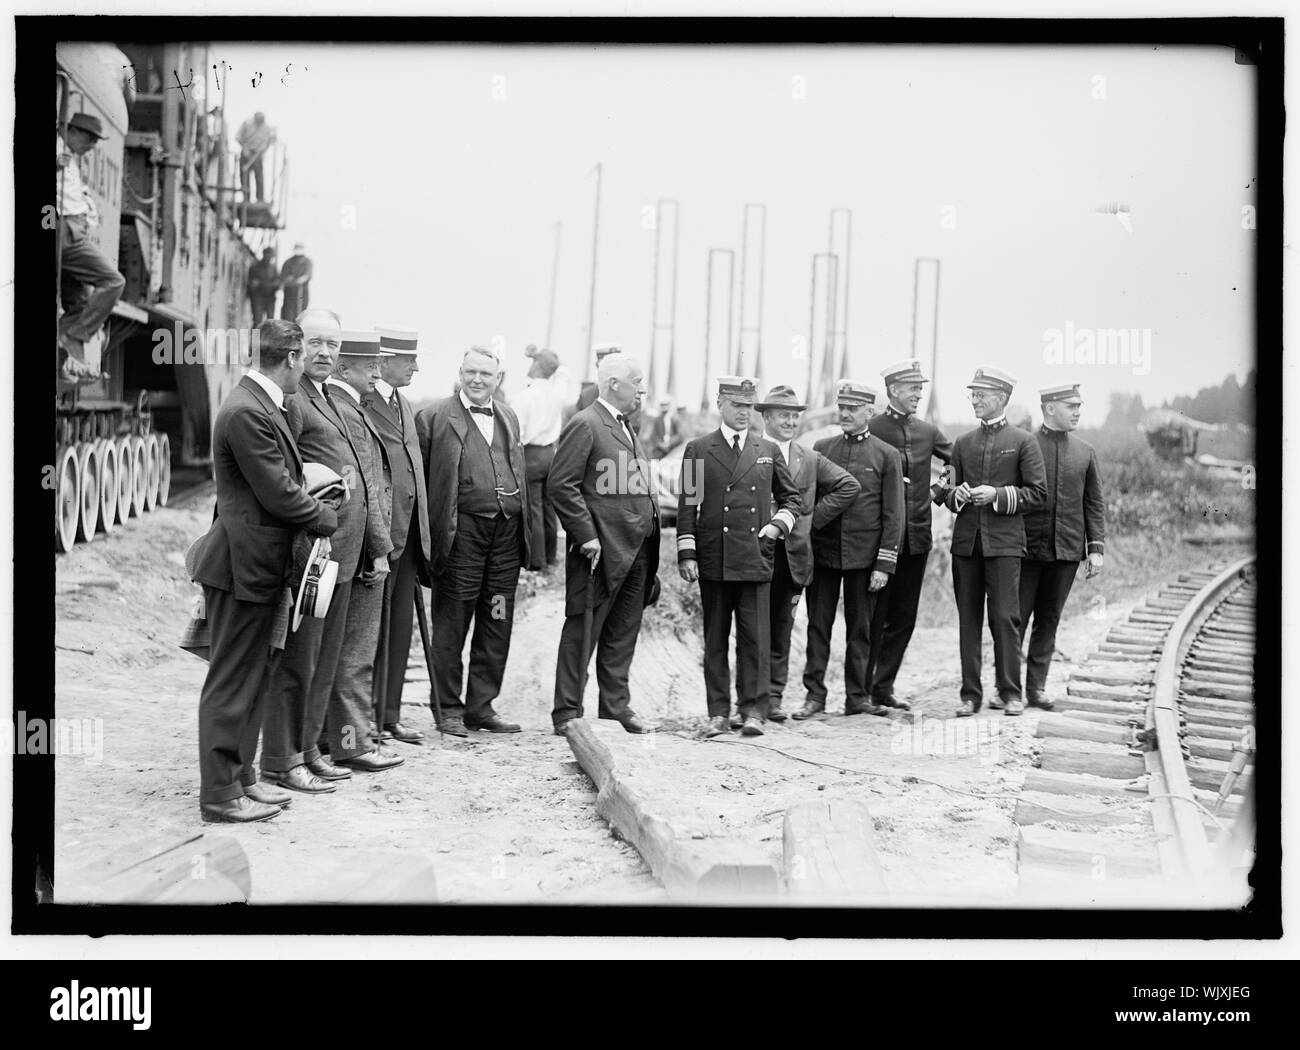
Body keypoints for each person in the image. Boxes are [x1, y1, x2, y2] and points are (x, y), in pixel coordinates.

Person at [188, 319, 339, 823]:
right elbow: (278, 491)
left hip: (255, 566)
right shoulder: (248, 412)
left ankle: (239, 782)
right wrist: (325, 515)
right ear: (293, 356)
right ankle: (219, 798)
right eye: (304, 358)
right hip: (240, 567)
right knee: (231, 685)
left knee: (251, 680)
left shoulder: (257, 404)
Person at [255, 308, 387, 795]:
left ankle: (308, 750)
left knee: (323, 660)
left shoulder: (327, 396)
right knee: (295, 661)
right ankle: (280, 760)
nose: (325, 353)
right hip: (309, 553)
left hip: (341, 554)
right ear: (295, 345)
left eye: (333, 344)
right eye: (315, 343)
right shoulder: (291, 400)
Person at [415, 346, 532, 737]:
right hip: (461, 535)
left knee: (497, 618)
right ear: (459, 373)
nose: (478, 380)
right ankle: (447, 707)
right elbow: (422, 485)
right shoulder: (433, 417)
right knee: (452, 622)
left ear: (498, 379)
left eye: (486, 374)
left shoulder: (509, 415)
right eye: (471, 372)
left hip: (505, 539)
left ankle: (482, 706)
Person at [677, 377, 801, 737]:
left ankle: (753, 711)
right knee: (715, 639)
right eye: (737, 405)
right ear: (720, 404)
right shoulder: (699, 449)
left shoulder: (768, 449)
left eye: (749, 406)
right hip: (715, 558)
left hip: (754, 558)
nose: (745, 413)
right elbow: (688, 506)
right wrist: (688, 553)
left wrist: (777, 526)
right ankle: (718, 713)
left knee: (755, 639)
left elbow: (793, 499)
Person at [549, 352, 661, 736]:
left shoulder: (625, 426)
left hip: (636, 548)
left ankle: (615, 708)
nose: (642, 389)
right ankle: (567, 712)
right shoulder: (586, 424)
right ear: (615, 384)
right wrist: (587, 536)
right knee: (583, 630)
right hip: (600, 550)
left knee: (621, 633)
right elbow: (561, 486)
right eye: (637, 382)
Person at [795, 381, 905, 721]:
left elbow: (893, 514)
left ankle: (857, 697)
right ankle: (814, 696)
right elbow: (810, 501)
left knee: (861, 629)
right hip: (825, 555)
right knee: (818, 626)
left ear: (869, 412)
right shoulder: (822, 448)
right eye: (841, 407)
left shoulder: (887, 455)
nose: (844, 413)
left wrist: (884, 564)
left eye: (853, 408)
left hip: (864, 559)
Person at [322, 331, 404, 770]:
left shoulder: (345, 405)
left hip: (350, 546)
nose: (376, 372)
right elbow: (367, 488)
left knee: (344, 651)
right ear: (343, 369)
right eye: (368, 366)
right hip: (358, 548)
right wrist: (380, 548)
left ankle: (338, 739)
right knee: (355, 653)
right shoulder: (348, 411)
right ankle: (353, 744)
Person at [945, 366, 1048, 718]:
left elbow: (1038, 494)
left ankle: (1010, 693)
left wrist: (997, 495)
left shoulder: (1023, 441)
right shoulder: (962, 443)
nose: (975, 399)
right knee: (968, 621)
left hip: (1004, 545)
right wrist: (955, 494)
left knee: (1005, 618)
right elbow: (945, 492)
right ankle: (970, 695)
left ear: (1002, 398)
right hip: (966, 547)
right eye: (972, 394)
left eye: (982, 394)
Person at [753, 385, 859, 724]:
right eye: (783, 414)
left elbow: (848, 485)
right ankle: (748, 699)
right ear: (766, 416)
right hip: (754, 550)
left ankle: (772, 698)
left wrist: (810, 520)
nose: (789, 421)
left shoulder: (808, 458)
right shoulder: (750, 451)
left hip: (793, 554)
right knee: (753, 626)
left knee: (782, 628)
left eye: (795, 415)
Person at [865, 358, 955, 710]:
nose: (919, 394)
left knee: (904, 618)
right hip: (878, 542)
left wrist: (936, 492)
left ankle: (883, 688)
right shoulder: (872, 428)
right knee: (874, 617)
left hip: (916, 539)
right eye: (913, 388)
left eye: (921, 388)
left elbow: (955, 461)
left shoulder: (928, 432)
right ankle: (862, 689)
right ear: (893, 391)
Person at [1019, 383, 1106, 709]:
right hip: (1027, 550)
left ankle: (1036, 689)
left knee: (1049, 620)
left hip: (1066, 551)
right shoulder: (1024, 445)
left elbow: (1094, 504)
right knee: (1015, 619)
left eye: (1079, 406)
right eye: (1071, 406)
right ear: (1050, 407)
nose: (1078, 412)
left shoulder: (1085, 452)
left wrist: (1095, 548)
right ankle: (1009, 687)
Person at [366, 326, 434, 743]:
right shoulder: (366, 403)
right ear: (384, 361)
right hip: (381, 534)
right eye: (408, 360)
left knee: (399, 628)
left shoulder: (404, 405)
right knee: (371, 629)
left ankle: (389, 714)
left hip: (406, 535)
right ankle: (368, 717)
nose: (415, 367)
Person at [56, 112, 126, 375]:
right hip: (65, 232)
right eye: (89, 138)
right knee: (114, 282)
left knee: (81, 304)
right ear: (72, 131)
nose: (92, 146)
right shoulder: (58, 150)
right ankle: (75, 336)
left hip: (73, 230)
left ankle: (62, 350)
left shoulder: (70, 158)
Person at [512, 344, 574, 571]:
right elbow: (564, 373)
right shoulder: (558, 392)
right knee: (548, 508)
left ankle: (536, 561)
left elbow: (516, 433)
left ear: (537, 365)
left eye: (533, 361)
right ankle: (550, 557)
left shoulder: (524, 397)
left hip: (531, 454)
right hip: (551, 454)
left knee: (534, 508)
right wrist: (542, 354)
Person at [236, 110, 275, 202]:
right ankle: (246, 198)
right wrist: (245, 148)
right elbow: (238, 137)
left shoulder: (267, 128)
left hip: (257, 155)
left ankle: (260, 199)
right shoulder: (247, 124)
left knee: (259, 177)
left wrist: (263, 150)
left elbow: (270, 141)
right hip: (246, 152)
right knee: (244, 176)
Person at [247, 248, 280, 325]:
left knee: (270, 322)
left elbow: (277, 283)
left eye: (271, 255)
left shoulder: (273, 268)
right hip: (258, 297)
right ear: (263, 254)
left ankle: (268, 337)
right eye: (268, 255)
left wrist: (272, 285)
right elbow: (252, 283)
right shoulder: (255, 267)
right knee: (257, 321)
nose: (269, 257)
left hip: (270, 298)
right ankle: (255, 337)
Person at [279, 243, 312, 320]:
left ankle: (297, 330)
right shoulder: (288, 262)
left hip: (302, 293)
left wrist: (295, 280)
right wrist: (293, 280)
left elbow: (306, 276)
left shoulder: (307, 262)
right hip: (289, 293)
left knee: (300, 314)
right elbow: (284, 278)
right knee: (288, 314)